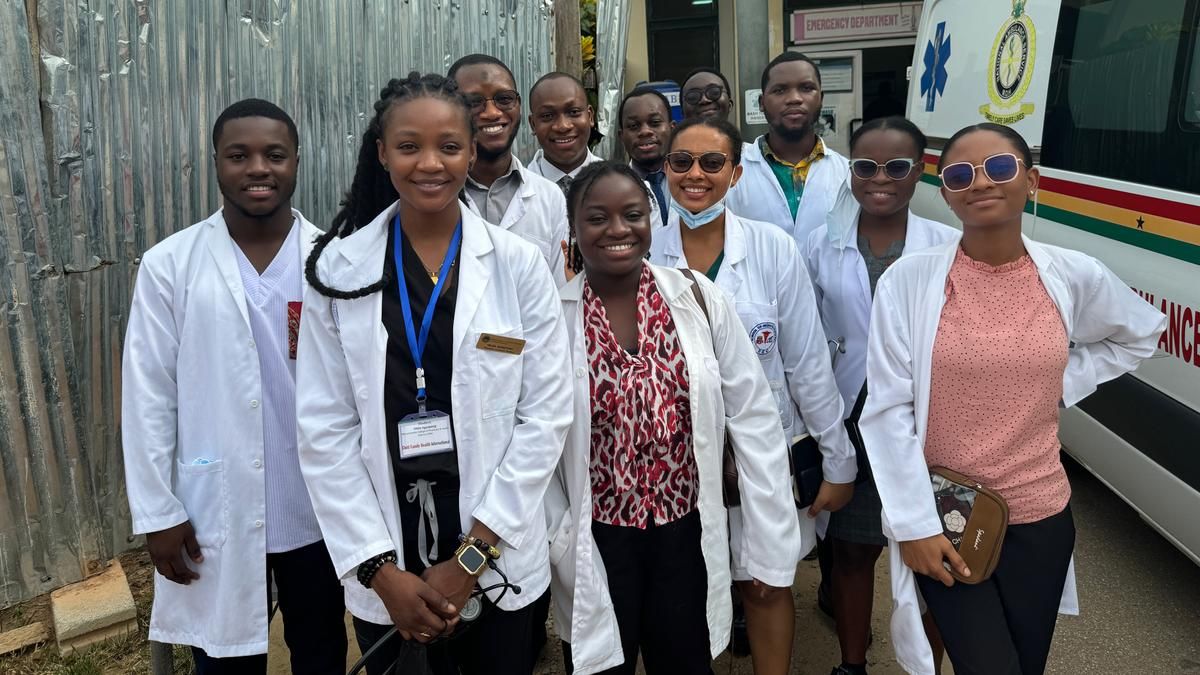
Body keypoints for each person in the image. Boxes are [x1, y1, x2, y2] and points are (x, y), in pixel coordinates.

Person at [860, 123, 1167, 675]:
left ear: (1032, 180)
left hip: (1041, 518)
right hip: (947, 519)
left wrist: (1061, 383)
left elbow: (1139, 333)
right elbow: (886, 411)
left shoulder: (1073, 276)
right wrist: (914, 526)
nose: (980, 183)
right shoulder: (909, 282)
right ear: (946, 190)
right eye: (961, 174)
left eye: (999, 168)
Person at [295, 72, 573, 675]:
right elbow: (324, 430)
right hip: (387, 561)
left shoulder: (518, 266)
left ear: (472, 152)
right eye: (408, 146)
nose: (429, 164)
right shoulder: (340, 271)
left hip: (492, 553)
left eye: (449, 147)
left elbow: (546, 415)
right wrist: (378, 571)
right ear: (381, 153)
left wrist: (473, 558)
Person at [548, 161, 801, 675]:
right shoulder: (553, 316)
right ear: (573, 228)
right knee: (599, 666)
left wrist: (769, 537)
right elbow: (536, 439)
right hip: (597, 535)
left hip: (683, 531)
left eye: (633, 214)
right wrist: (558, 532)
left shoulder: (698, 299)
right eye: (597, 217)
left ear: (651, 220)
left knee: (685, 661)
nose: (618, 229)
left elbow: (753, 419)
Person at [122, 99, 346, 673]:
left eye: (274, 154)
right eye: (238, 155)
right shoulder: (170, 264)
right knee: (223, 660)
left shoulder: (335, 261)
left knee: (320, 646)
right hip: (211, 505)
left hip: (314, 506)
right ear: (215, 163)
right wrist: (157, 513)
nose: (257, 169)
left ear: (297, 160)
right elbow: (148, 395)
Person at [649, 116, 855, 675]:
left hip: (763, 454)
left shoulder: (772, 250)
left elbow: (808, 363)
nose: (696, 175)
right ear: (664, 170)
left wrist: (837, 459)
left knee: (766, 583)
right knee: (693, 588)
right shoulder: (645, 253)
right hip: (675, 459)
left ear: (736, 173)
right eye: (681, 162)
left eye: (712, 163)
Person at [801, 116, 958, 675]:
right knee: (851, 550)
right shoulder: (823, 245)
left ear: (921, 172)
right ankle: (852, 663)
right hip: (850, 417)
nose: (880, 179)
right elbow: (810, 335)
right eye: (865, 167)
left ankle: (929, 664)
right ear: (851, 172)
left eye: (896, 167)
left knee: (933, 553)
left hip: (926, 426)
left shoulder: (948, 247)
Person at [448, 54, 569, 286]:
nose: (492, 112)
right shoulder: (438, 197)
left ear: (519, 106)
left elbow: (559, 296)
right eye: (473, 102)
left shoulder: (549, 197)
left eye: (504, 99)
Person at [727, 52, 849, 245]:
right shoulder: (731, 172)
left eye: (806, 88)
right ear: (761, 103)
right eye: (780, 90)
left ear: (821, 98)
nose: (794, 99)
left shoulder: (847, 173)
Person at [526, 72, 600, 186]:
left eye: (573, 112)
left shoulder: (618, 184)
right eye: (547, 116)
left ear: (590, 116)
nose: (562, 126)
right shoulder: (514, 191)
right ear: (533, 124)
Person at [618, 86, 674, 226]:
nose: (645, 132)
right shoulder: (614, 188)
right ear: (621, 136)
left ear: (672, 128)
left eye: (655, 123)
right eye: (633, 126)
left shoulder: (692, 180)